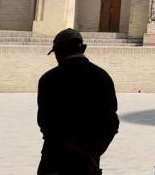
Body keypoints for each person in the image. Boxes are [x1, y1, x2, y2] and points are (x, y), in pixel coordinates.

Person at [37, 28, 119, 175]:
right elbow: (112, 124)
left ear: (58, 52)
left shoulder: (49, 79)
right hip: (90, 165)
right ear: (83, 48)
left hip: (56, 161)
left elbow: (48, 126)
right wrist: (93, 155)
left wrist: (81, 156)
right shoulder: (102, 77)